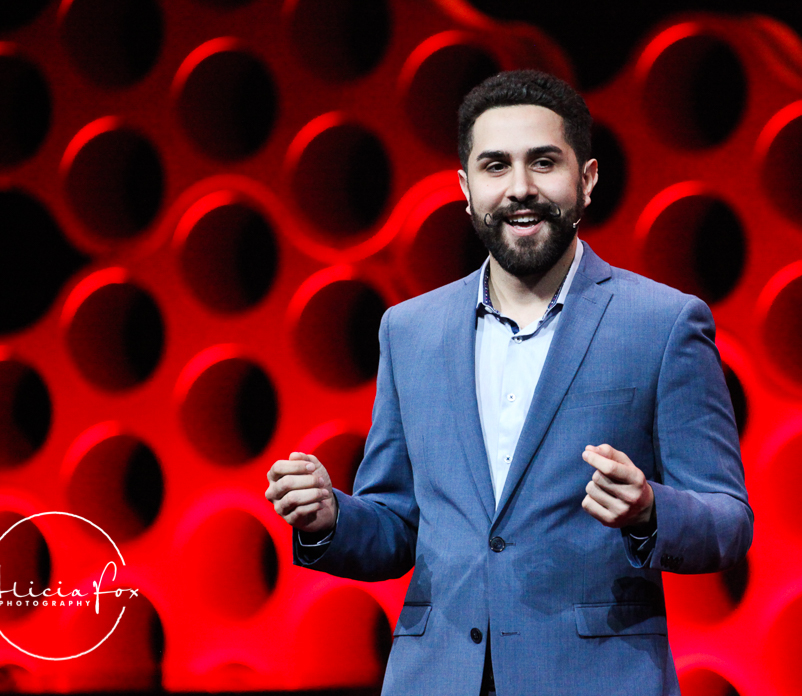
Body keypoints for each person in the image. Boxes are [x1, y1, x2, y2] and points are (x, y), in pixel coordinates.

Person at [266, 70, 752, 696]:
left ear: (588, 180)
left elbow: (728, 521)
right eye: (495, 167)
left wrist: (650, 511)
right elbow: (399, 526)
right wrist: (329, 518)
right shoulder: (409, 331)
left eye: (543, 163)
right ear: (467, 189)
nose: (520, 189)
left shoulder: (662, 323)